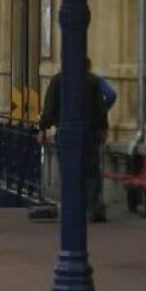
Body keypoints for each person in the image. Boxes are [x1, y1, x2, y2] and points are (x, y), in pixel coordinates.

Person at [38, 63, 111, 223]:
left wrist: (43, 129)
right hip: (90, 132)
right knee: (91, 170)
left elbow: (49, 108)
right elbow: (100, 108)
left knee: (68, 170)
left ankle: (72, 207)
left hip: (65, 131)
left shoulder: (57, 81)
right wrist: (103, 129)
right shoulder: (92, 81)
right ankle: (92, 207)